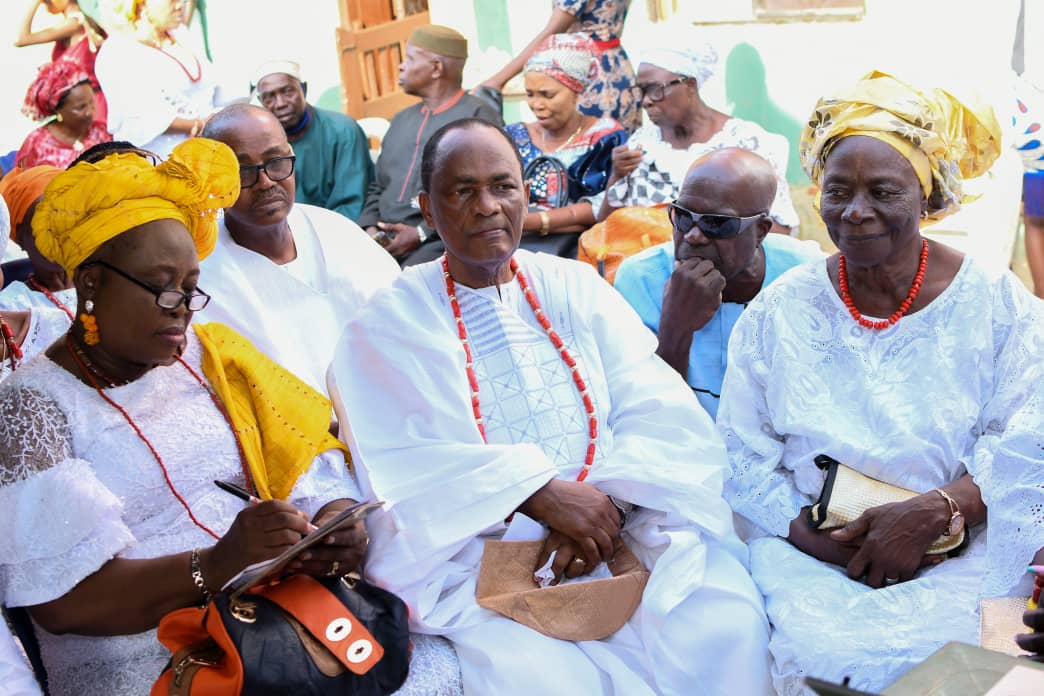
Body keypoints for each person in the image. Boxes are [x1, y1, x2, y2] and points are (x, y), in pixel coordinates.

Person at [332, 118, 772, 695]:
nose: (487, 206)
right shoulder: (388, 321)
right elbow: (401, 462)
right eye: (462, 191)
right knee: (548, 681)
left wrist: (605, 505)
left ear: (525, 192)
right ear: (428, 207)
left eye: (503, 186)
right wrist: (541, 494)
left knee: (725, 626)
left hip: (626, 522)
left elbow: (656, 406)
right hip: (480, 555)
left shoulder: (576, 285)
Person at [0, 137, 375, 696]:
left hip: (273, 618)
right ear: (92, 284)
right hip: (145, 664)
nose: (182, 309)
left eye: (192, 289)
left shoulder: (210, 350)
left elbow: (306, 448)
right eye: (162, 290)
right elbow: (62, 600)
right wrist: (219, 562)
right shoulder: (30, 408)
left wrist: (334, 518)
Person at [717, 71, 1044, 693]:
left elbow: (1030, 441)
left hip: (966, 547)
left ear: (926, 196)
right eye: (837, 191)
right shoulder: (780, 311)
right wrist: (826, 546)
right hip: (811, 549)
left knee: (963, 661)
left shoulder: (1000, 306)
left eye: (883, 191)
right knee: (823, 653)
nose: (855, 211)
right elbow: (741, 452)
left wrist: (937, 512)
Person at [198, 104, 399, 395]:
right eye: (243, 172)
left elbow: (401, 322)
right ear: (214, 180)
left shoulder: (335, 231)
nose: (266, 182)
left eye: (276, 161)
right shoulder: (205, 273)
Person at [614, 148, 820, 419]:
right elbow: (650, 419)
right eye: (683, 216)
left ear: (761, 231)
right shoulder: (639, 279)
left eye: (717, 223)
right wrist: (676, 326)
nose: (694, 235)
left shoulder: (807, 275)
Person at [595, 46, 798, 235]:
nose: (646, 101)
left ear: (690, 85)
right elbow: (606, 228)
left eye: (656, 89)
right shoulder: (642, 144)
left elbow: (780, 230)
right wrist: (617, 175)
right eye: (641, 91)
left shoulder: (746, 143)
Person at [357, 25, 503, 266]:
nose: (401, 66)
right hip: (384, 240)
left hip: (442, 239)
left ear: (436, 68)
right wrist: (370, 229)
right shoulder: (401, 119)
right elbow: (378, 186)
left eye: (410, 58)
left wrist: (422, 232)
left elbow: (482, 192)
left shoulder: (478, 116)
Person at [505, 34, 625, 256]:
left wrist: (533, 221)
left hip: (578, 253)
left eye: (547, 95)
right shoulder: (514, 136)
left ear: (576, 90)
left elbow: (606, 205)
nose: (536, 104)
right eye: (530, 94)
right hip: (514, 250)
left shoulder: (605, 138)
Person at [482, 0, 639, 132]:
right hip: (619, 70)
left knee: (582, 153)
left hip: (586, 74)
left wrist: (497, 81)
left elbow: (553, 30)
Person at [253, 59, 374, 222]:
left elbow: (351, 205)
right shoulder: (260, 145)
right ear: (261, 102)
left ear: (304, 89)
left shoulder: (343, 131)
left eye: (288, 91)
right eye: (269, 97)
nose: (280, 103)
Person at [94, 0, 216, 156]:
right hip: (158, 159)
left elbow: (211, 85)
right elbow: (142, 116)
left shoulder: (180, 35)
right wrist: (201, 124)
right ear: (141, 5)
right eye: (172, 1)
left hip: (207, 148)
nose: (180, 6)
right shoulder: (117, 51)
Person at [14, 0, 108, 125]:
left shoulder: (75, 22)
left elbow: (21, 39)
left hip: (91, 106)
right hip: (74, 107)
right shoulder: (72, 23)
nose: (44, 2)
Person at [0, 165, 75, 314]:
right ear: (20, 236)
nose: (57, 235)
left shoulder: (104, 282)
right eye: (42, 226)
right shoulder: (11, 307)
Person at [17, 59, 110, 169]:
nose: (90, 112)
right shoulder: (37, 146)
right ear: (57, 110)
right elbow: (25, 183)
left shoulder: (102, 134)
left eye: (91, 103)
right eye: (81, 107)